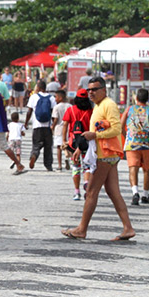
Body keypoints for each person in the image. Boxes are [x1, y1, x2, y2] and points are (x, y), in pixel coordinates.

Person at [62, 77, 135, 241]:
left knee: (91, 192)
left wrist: (95, 135)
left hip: (106, 154)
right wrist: (81, 146)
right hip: (107, 154)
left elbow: (116, 129)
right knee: (113, 191)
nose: (90, 92)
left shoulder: (108, 105)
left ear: (104, 90)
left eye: (94, 89)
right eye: (89, 90)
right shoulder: (99, 105)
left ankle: (82, 229)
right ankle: (128, 228)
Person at [120, 88, 149, 205]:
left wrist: (127, 137)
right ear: (147, 99)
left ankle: (135, 192)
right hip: (148, 144)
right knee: (147, 169)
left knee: (133, 168)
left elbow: (121, 126)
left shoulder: (129, 110)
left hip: (132, 144)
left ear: (136, 98)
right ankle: (146, 194)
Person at [62, 89, 93, 201]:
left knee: (75, 166)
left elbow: (65, 125)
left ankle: (76, 192)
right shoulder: (91, 111)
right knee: (87, 166)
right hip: (87, 142)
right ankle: (86, 183)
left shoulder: (70, 110)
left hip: (73, 142)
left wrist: (64, 140)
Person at [24, 80, 56, 171]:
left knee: (36, 145)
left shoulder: (34, 97)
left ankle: (34, 155)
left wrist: (26, 123)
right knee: (48, 146)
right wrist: (53, 125)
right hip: (47, 126)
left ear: (39, 88)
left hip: (37, 126)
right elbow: (53, 113)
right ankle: (48, 165)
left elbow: (29, 111)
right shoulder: (51, 98)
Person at [51, 89, 70, 171]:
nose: (55, 99)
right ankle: (68, 159)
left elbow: (55, 119)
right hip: (69, 128)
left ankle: (59, 165)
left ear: (60, 97)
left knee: (59, 147)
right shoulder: (70, 106)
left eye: (56, 97)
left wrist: (52, 127)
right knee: (68, 146)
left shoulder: (56, 107)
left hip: (59, 128)